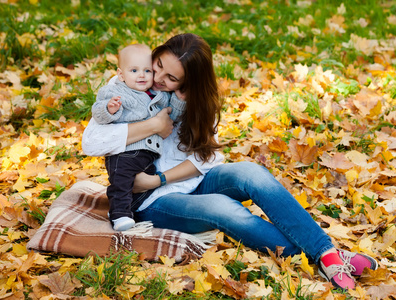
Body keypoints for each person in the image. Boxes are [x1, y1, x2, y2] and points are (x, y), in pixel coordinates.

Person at [82, 33, 378, 290]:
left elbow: (205, 158)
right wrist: (154, 126)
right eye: (158, 65)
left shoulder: (197, 101)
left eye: (171, 77)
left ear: (189, 81)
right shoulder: (128, 83)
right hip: (152, 201)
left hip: (183, 182)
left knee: (253, 173)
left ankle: (327, 254)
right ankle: (326, 256)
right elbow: (90, 142)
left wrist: (160, 177)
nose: (157, 78)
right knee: (224, 208)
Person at [90, 44, 185, 231]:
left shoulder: (159, 96)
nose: (142, 75)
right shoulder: (115, 92)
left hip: (148, 155)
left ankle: (128, 207)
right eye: (134, 70)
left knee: (139, 187)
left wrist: (180, 100)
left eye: (147, 71)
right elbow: (98, 114)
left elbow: (171, 117)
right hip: (124, 152)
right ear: (121, 74)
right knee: (122, 181)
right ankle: (119, 215)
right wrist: (109, 109)